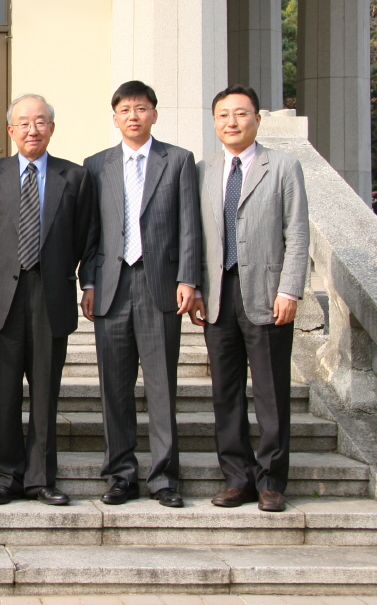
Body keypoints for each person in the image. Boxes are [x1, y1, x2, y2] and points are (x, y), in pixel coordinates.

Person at [189, 84, 309, 513]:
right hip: (219, 297)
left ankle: (272, 481)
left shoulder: (283, 167)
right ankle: (237, 478)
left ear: (257, 119)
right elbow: (196, 237)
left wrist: (291, 289)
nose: (231, 122)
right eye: (223, 115)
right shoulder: (204, 170)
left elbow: (297, 234)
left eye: (240, 114)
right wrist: (197, 287)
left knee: (272, 392)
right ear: (215, 122)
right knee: (226, 392)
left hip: (267, 294)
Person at [80, 80, 200, 508]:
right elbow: (90, 232)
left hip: (159, 284)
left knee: (162, 386)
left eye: (141, 108)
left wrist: (189, 278)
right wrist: (89, 282)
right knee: (114, 386)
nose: (133, 116)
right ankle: (120, 474)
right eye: (125, 109)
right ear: (114, 118)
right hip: (111, 287)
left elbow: (190, 224)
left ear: (154, 113)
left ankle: (165, 478)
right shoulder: (96, 165)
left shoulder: (179, 161)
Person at [0, 94, 93, 506]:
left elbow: (85, 238)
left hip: (50, 292)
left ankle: (41, 478)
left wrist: (79, 279)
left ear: (52, 129)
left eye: (40, 122)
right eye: (23, 123)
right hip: (3, 295)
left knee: (45, 391)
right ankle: (5, 474)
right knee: (4, 390)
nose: (32, 130)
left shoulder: (74, 177)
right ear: (10, 131)